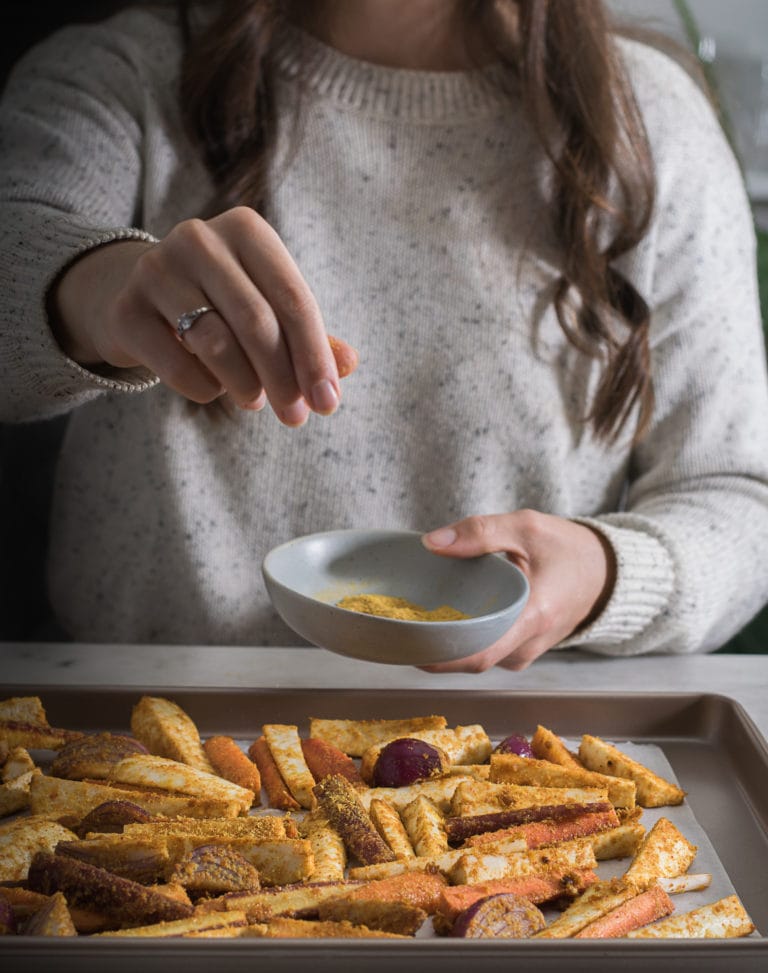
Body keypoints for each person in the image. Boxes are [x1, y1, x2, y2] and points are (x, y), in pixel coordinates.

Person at [1, 0, 767, 672]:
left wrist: (605, 572)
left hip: (505, 768)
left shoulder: (653, 123)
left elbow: (738, 499)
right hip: (126, 753)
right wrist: (104, 287)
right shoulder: (118, 73)